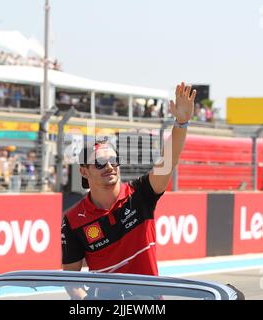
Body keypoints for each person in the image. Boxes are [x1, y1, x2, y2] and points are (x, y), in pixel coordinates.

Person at [61, 82, 196, 300]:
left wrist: (181, 123)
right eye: (100, 163)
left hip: (148, 302)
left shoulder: (141, 194)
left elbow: (168, 162)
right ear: (84, 171)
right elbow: (70, 280)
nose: (109, 166)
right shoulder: (73, 220)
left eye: (114, 160)